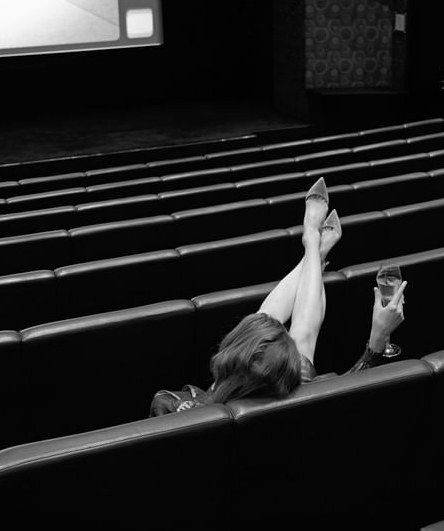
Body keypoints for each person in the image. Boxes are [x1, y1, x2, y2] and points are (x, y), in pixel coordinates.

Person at [149, 177, 407, 416]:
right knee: (299, 335)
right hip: (272, 392)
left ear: (224, 363)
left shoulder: (173, 406)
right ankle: (312, 245)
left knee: (263, 327)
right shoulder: (307, 402)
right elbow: (354, 388)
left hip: (226, 396)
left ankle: (313, 251)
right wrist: (378, 338)